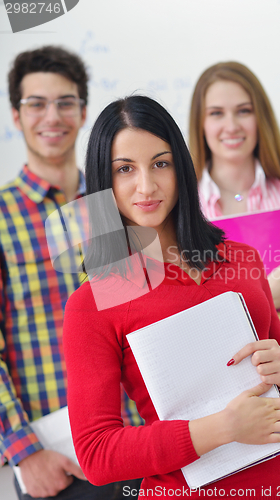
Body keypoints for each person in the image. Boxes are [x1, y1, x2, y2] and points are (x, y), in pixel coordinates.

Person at [62, 95, 280, 500]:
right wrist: (223, 429)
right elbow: (96, 455)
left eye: (160, 163)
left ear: (181, 166)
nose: (147, 185)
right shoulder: (92, 304)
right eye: (125, 169)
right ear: (104, 184)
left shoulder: (241, 260)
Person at [0, 45, 142, 500]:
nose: (52, 116)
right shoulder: (1, 215)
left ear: (83, 113)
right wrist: (23, 451)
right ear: (16, 116)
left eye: (65, 103)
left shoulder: (117, 205)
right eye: (35, 103)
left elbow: (142, 317)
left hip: (140, 441)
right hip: (58, 462)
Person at [189, 61, 280, 498]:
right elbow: (194, 334)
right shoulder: (184, 214)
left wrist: (260, 319)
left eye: (243, 110)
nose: (230, 125)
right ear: (199, 124)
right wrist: (270, 295)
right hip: (226, 419)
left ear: (261, 118)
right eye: (216, 113)